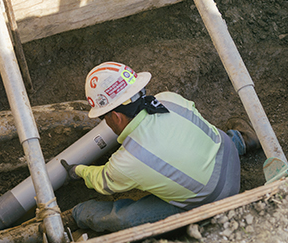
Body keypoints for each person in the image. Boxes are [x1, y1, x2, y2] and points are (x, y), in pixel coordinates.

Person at [61, 61, 261, 233]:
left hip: (216, 199)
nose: (106, 123)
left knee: (125, 218)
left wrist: (78, 170)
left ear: (115, 116)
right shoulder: (168, 99)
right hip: (228, 153)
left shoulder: (127, 161)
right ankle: (241, 140)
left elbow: (104, 182)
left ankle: (78, 214)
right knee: (198, 133)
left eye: (104, 117)